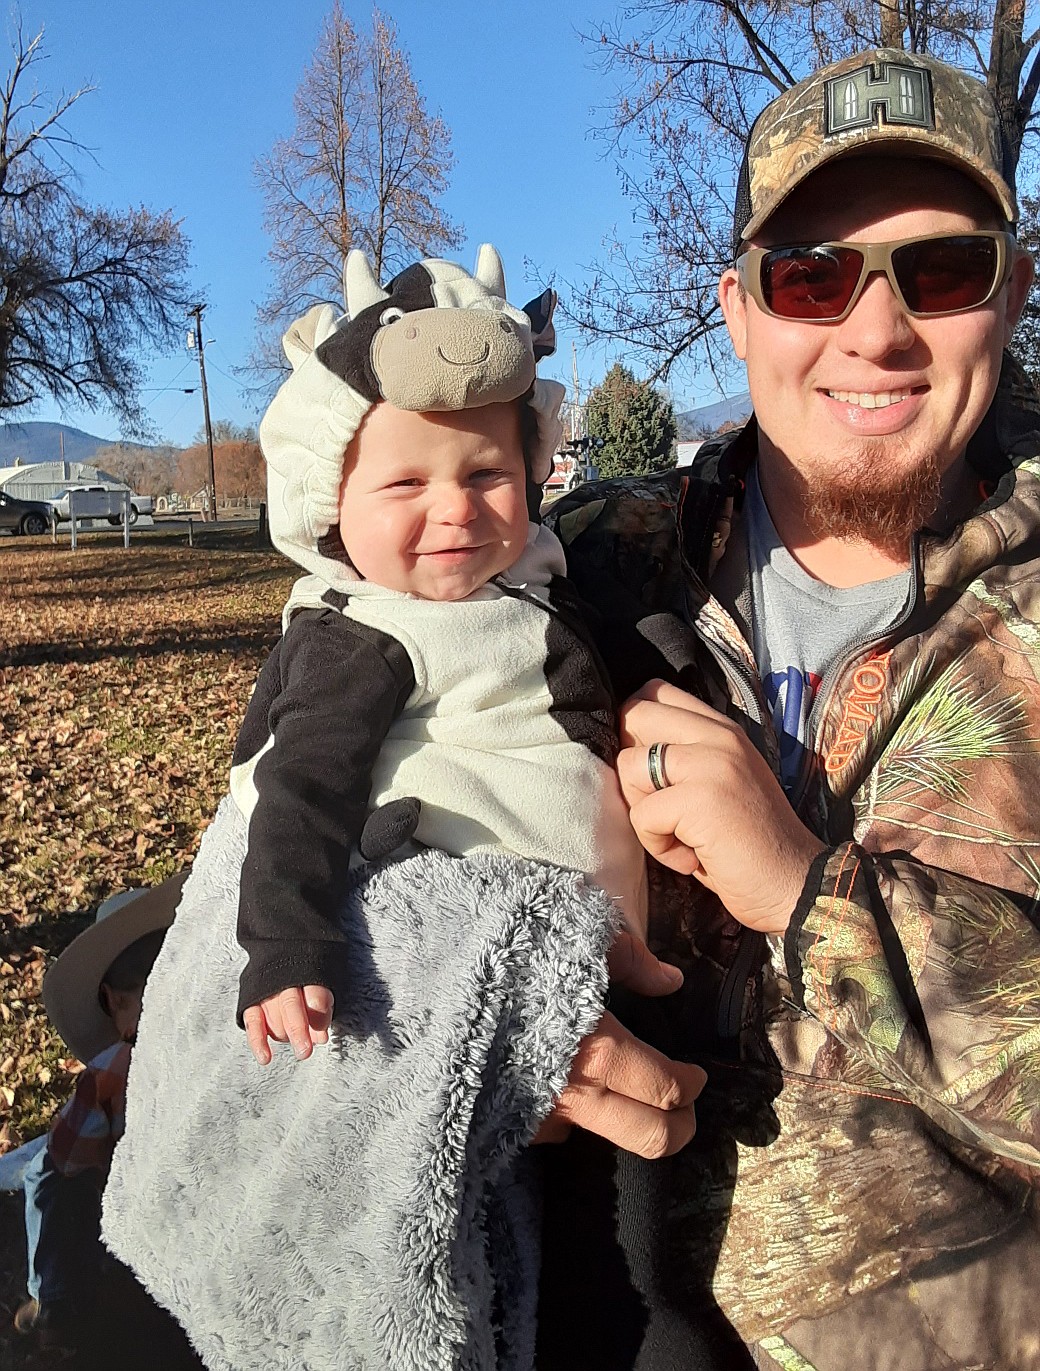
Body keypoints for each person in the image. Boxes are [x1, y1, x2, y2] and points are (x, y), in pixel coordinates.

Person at [537, 46, 1040, 1371]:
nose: (875, 331)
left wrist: (812, 890)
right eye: (811, 274)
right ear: (739, 310)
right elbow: (319, 864)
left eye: (942, 269)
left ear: (1013, 291)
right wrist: (478, 1044)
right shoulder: (566, 576)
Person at [229, 244, 650, 1065]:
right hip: (475, 976)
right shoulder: (360, 633)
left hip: (604, 958)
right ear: (329, 503)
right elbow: (302, 785)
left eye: (488, 472)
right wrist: (286, 946)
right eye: (405, 485)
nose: (456, 509)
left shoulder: (529, 578)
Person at [14, 877, 186, 1357]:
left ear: (112, 1000)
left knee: (45, 1175)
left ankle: (54, 1299)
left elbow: (70, 1156)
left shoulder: (112, 1071)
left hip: (128, 1196)